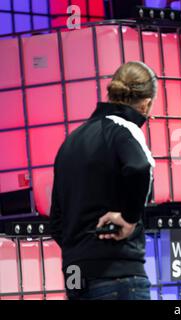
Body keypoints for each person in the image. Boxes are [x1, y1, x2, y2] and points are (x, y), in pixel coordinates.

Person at [49, 61, 158, 300]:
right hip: (117, 274)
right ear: (146, 104)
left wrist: (79, 249)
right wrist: (128, 218)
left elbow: (56, 220)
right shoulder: (125, 130)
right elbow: (140, 168)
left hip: (75, 276)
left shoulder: (70, 142)